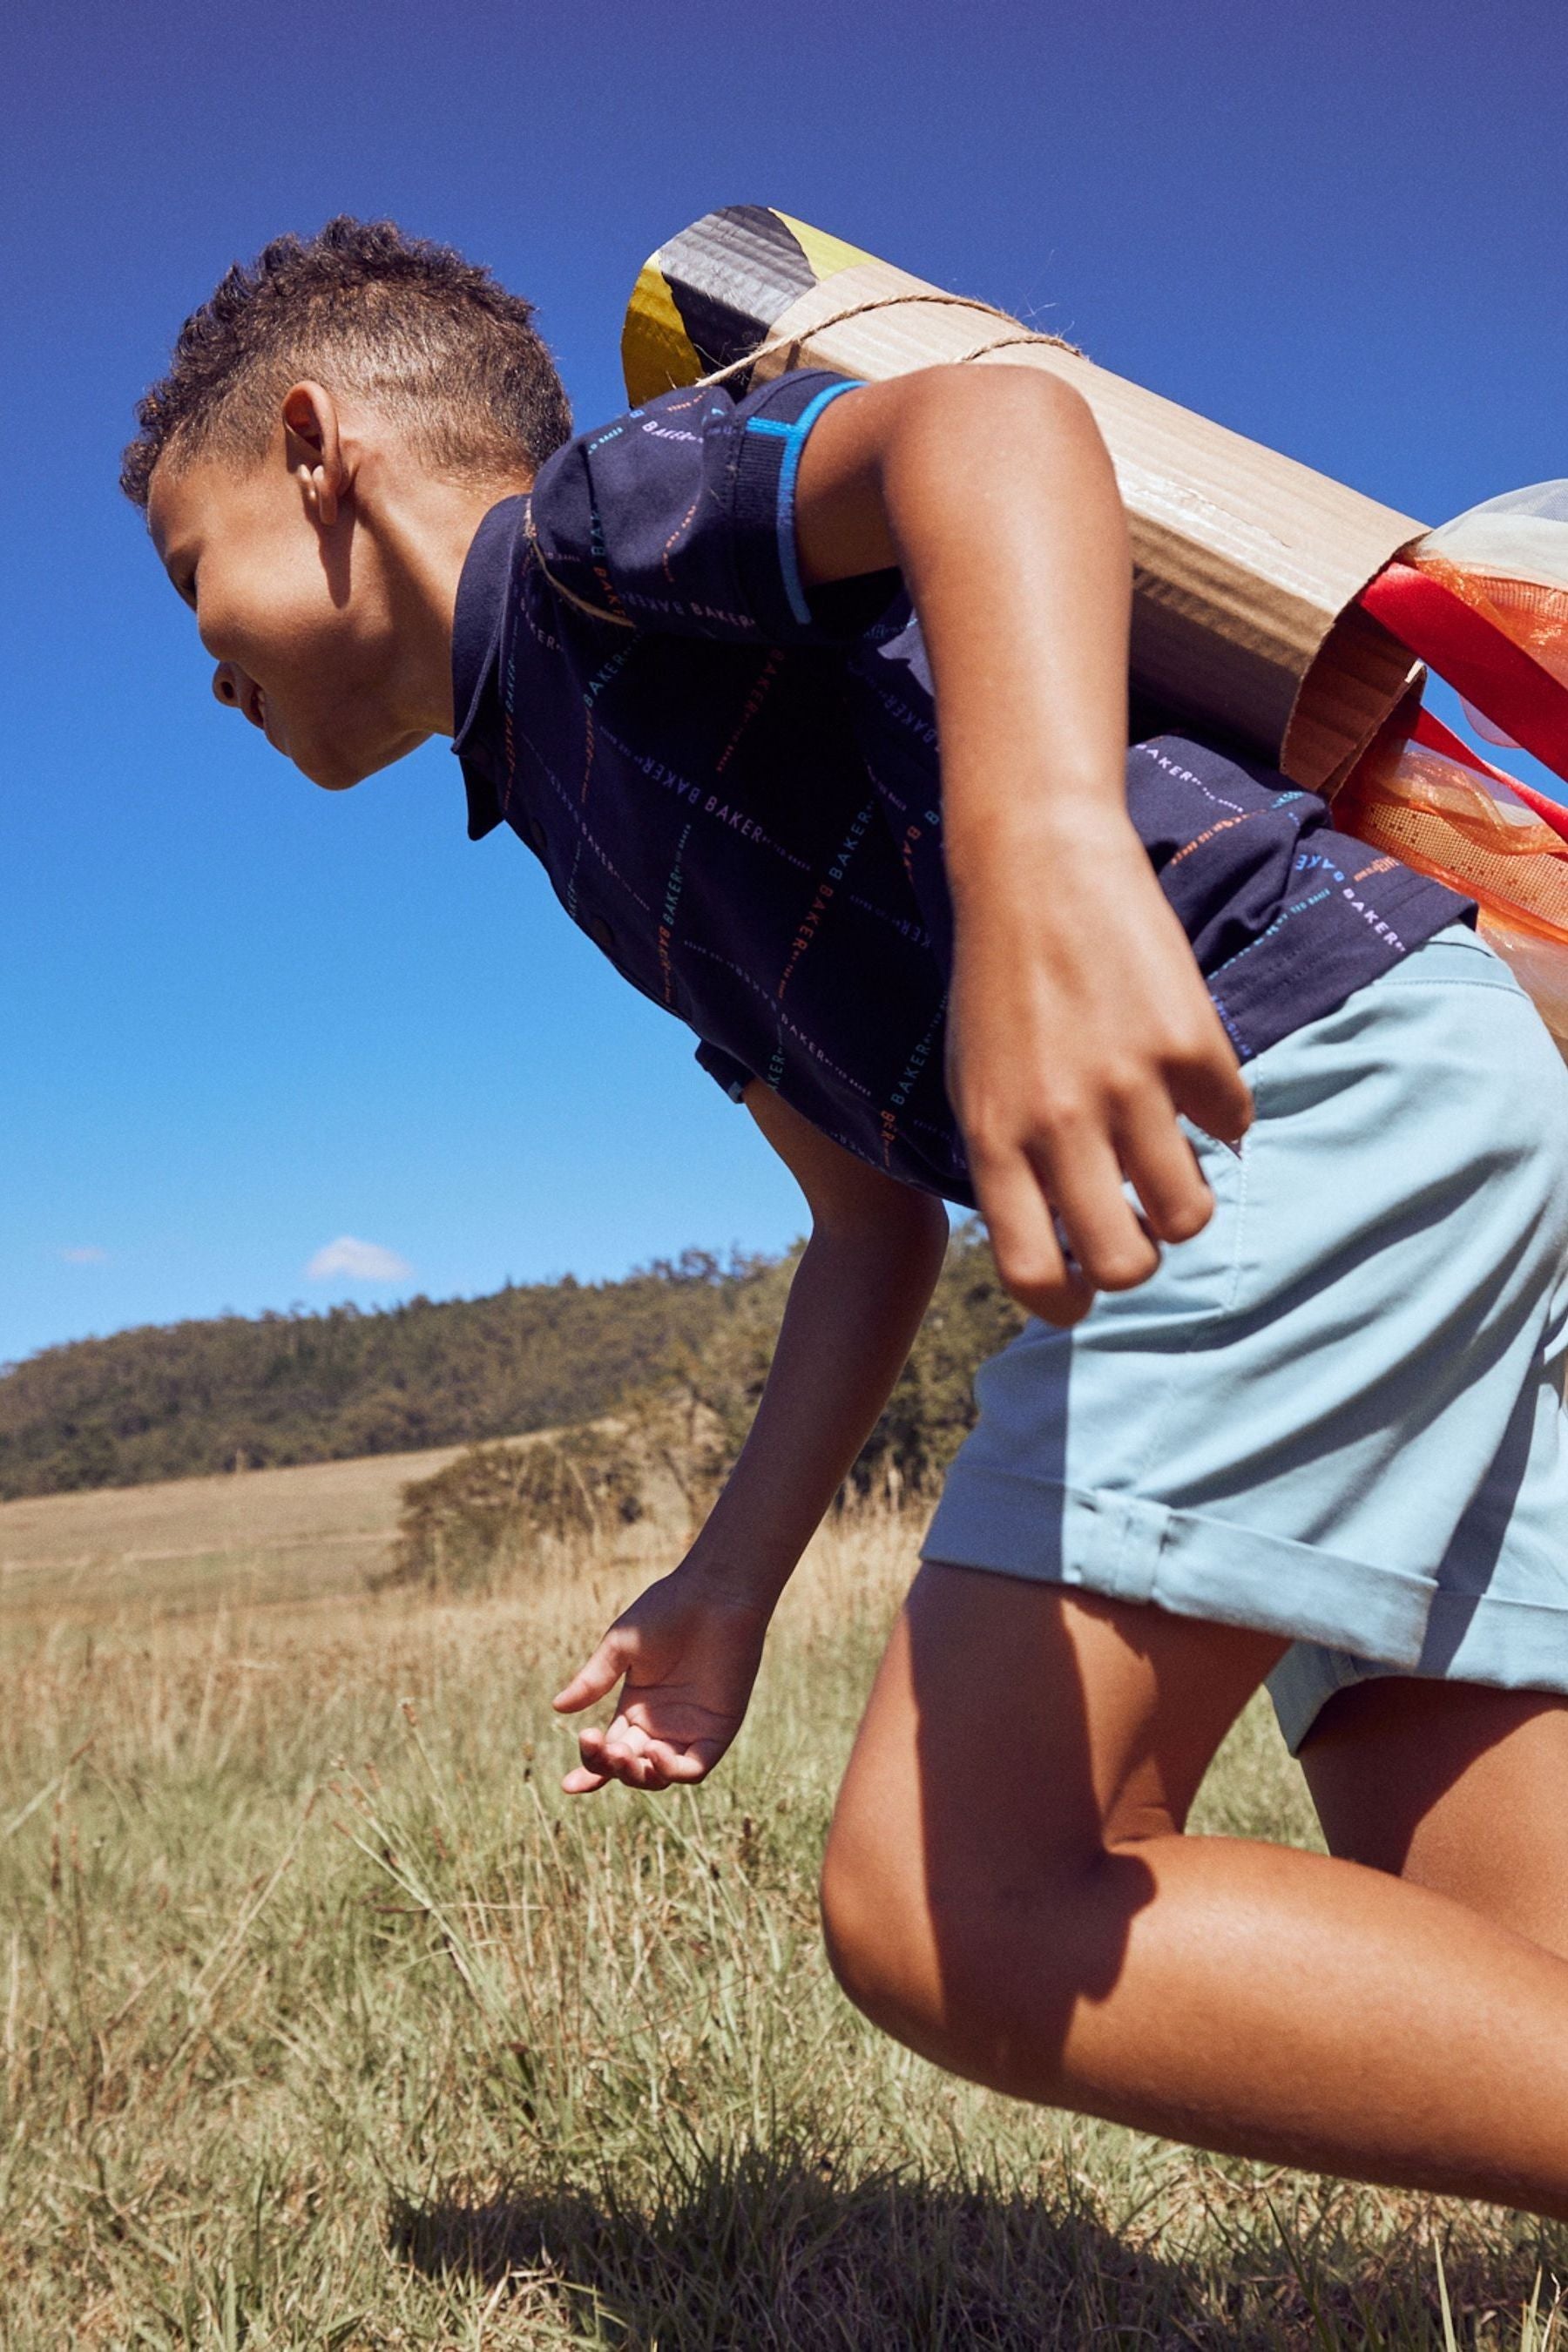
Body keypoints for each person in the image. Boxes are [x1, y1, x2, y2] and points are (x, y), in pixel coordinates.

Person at [124, 216, 1568, 2219]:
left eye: (199, 583)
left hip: (1287, 1082)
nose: (209, 674)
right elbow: (866, 1219)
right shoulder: (563, 796)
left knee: (948, 1899)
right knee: (1503, 1958)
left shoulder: (592, 542)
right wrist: (729, 1585)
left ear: (317, 447)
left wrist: (1044, 853)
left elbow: (993, 431)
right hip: (1395, 1119)